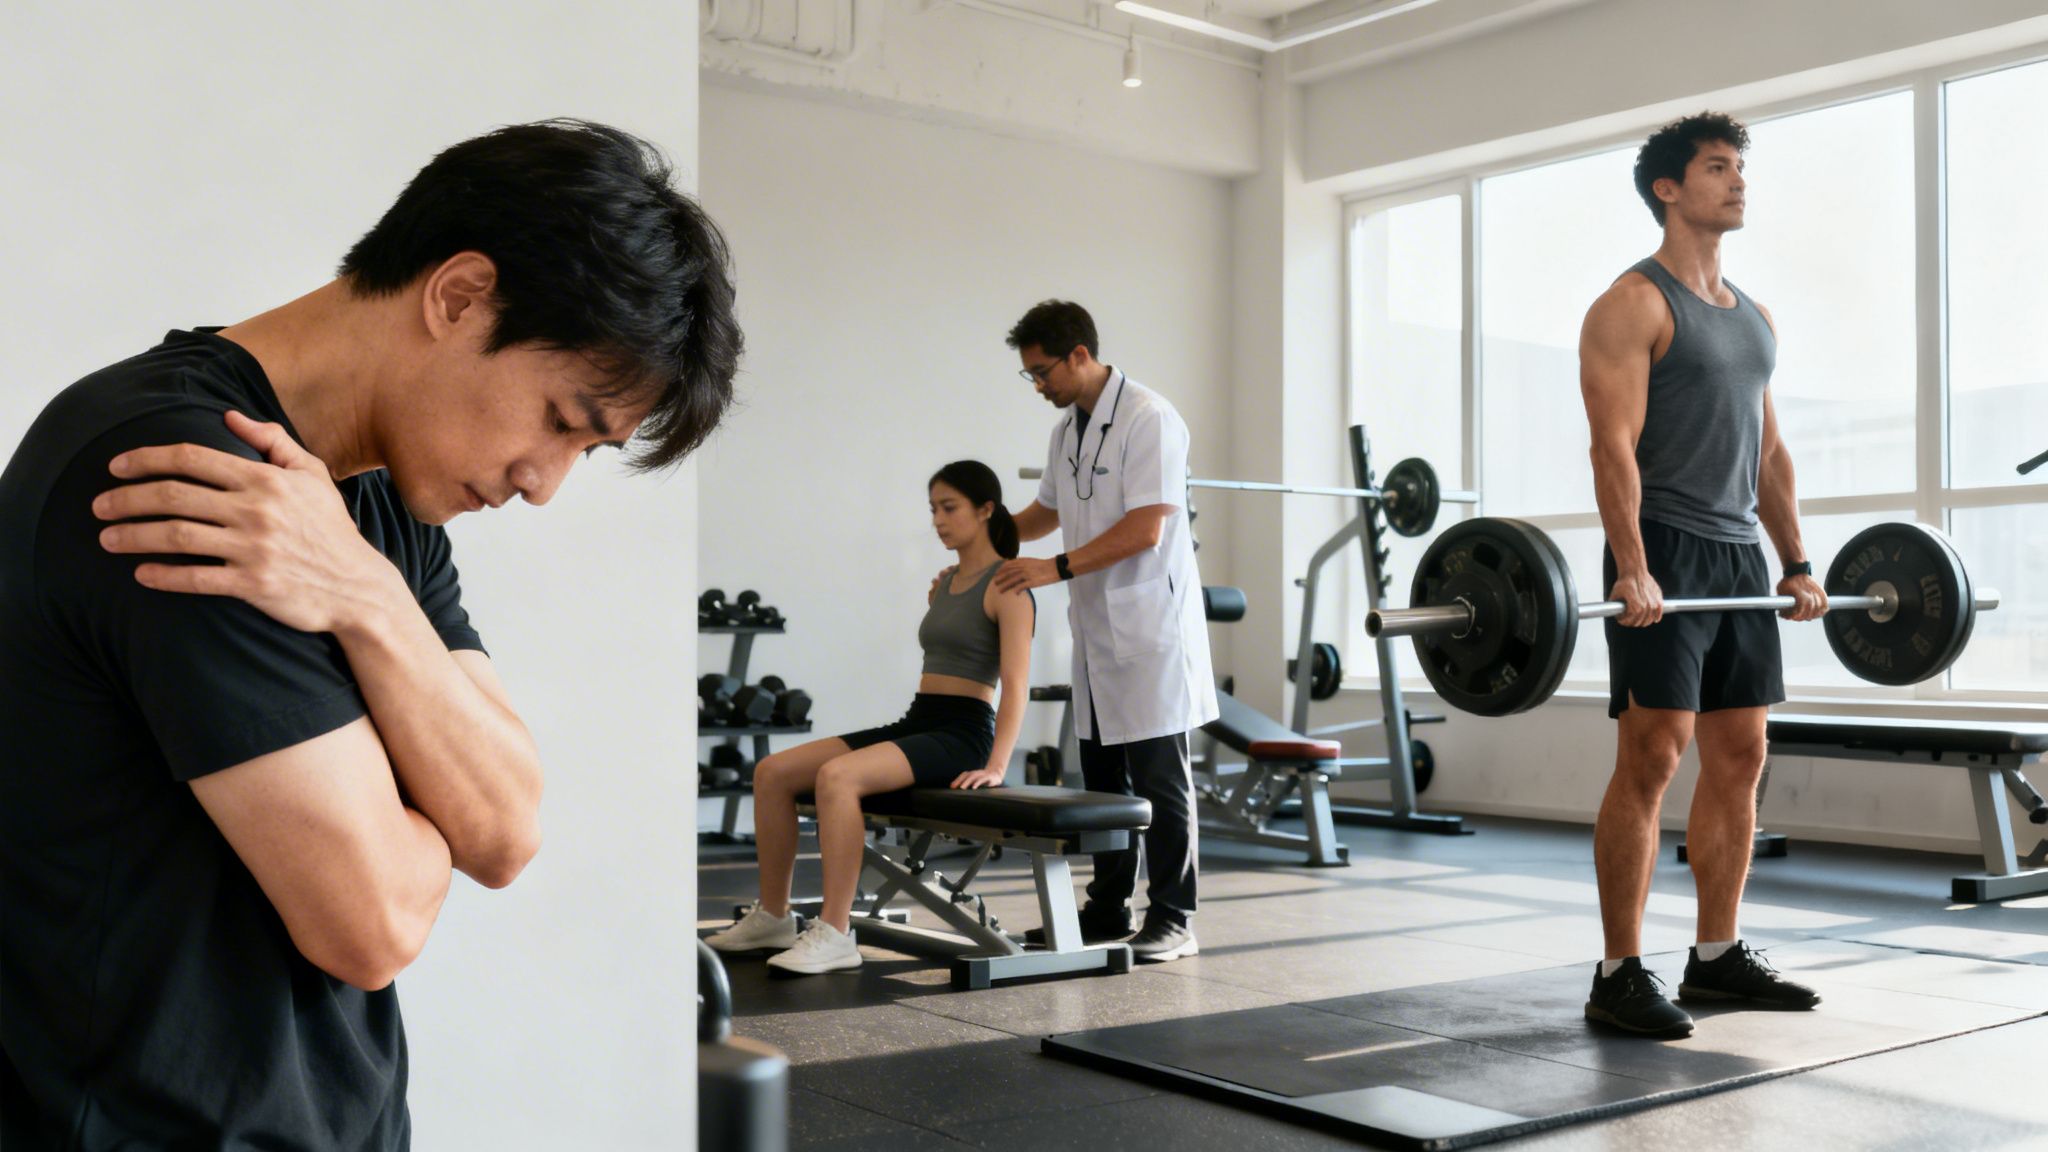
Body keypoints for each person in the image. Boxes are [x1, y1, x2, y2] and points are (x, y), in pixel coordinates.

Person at [0, 120, 741, 1149]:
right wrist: (422, 788)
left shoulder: (370, 506)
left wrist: (367, 597)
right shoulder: (190, 474)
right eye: (561, 419)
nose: (542, 483)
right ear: (458, 295)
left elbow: (505, 828)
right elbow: (374, 922)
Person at [1578, 111, 1824, 1038]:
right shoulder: (1631, 304)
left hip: (1735, 556)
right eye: (1718, 168)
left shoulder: (1753, 317)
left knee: (1742, 755)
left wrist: (1796, 562)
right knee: (1653, 753)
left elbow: (1768, 456)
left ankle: (1716, 956)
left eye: (1740, 168)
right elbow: (1613, 448)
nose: (1739, 182)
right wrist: (1634, 567)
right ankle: (1619, 970)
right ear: (1667, 190)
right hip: (1666, 548)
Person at [706, 461, 1034, 974]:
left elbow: (1015, 683)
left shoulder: (1009, 586)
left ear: (986, 509)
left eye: (949, 508)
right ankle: (773, 915)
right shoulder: (947, 582)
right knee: (771, 773)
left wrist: (997, 765)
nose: (938, 520)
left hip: (963, 732)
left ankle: (837, 933)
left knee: (837, 778)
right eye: (933, 509)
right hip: (921, 719)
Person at [993, 299, 1216, 964]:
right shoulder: (1068, 430)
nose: (1037, 385)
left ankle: (1174, 916)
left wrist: (1054, 568)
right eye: (1029, 375)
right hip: (1098, 633)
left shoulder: (1150, 418)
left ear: (1080, 355)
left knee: (1160, 783)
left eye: (1042, 372)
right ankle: (1108, 909)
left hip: (1148, 629)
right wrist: (983, 532)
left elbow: (1147, 526)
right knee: (1103, 784)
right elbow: (1045, 512)